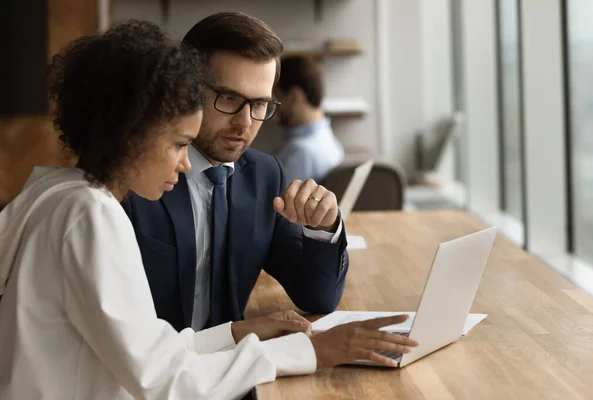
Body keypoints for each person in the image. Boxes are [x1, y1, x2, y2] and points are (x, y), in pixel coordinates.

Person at [0, 21, 418, 399]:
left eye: (260, 105)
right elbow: (162, 379)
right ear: (130, 135)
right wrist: (308, 351)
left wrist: (235, 333)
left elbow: (149, 348)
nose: (185, 164)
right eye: (179, 143)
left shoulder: (59, 195)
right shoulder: (90, 217)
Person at [124, 12, 350, 332]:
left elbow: (318, 296)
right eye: (229, 98)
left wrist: (324, 227)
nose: (245, 123)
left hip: (234, 367)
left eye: (260, 104)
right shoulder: (135, 176)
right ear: (186, 89)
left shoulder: (265, 175)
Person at [274, 55, 344, 184]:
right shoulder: (329, 139)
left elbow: (270, 202)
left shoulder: (299, 153)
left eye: (277, 98)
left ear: (294, 96)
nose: (274, 108)